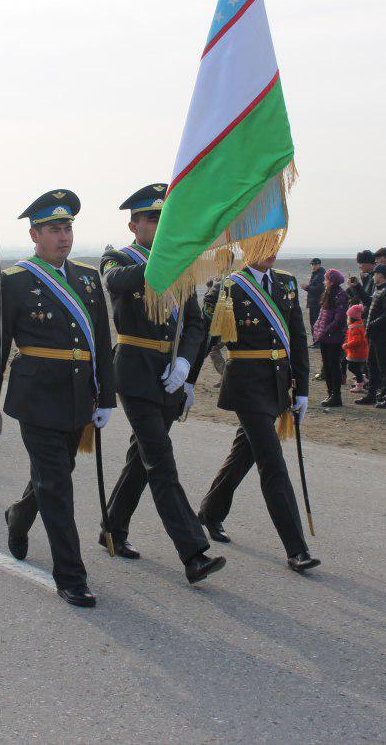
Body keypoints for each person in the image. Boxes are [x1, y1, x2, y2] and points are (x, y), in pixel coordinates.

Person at [0, 190, 115, 607]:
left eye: (68, 227)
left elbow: (102, 343)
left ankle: (18, 517)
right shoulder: (16, 281)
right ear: (35, 234)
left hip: (78, 396)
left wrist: (106, 396)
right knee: (57, 485)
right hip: (36, 396)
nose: (63, 236)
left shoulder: (88, 279)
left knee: (56, 474)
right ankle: (71, 575)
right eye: (54, 228)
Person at [95, 184, 224, 583]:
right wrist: (171, 256)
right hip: (134, 373)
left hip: (169, 375)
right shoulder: (116, 258)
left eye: (162, 217)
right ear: (133, 225)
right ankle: (194, 552)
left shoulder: (179, 265)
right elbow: (120, 282)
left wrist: (185, 365)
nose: (156, 223)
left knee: (143, 459)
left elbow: (196, 323)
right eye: (150, 218)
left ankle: (112, 529)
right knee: (161, 463)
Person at [190, 252, 319, 574]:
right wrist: (187, 383)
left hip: (276, 382)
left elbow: (298, 338)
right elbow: (204, 338)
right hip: (246, 384)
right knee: (272, 462)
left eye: (276, 242)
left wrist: (302, 388)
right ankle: (297, 548)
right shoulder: (228, 287)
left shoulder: (286, 283)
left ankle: (210, 511)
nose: (272, 250)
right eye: (265, 242)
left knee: (245, 452)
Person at [360, 264, 386, 409]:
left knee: (384, 367)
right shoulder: (380, 290)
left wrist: (372, 324)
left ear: (381, 275)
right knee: (371, 364)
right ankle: (371, 394)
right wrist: (356, 287)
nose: (373, 276)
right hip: (375, 334)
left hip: (381, 335)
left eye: (375, 274)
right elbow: (370, 302)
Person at [312, 268, 348, 407]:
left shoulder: (340, 295)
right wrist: (318, 329)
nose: (325, 281)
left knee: (334, 366)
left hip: (334, 337)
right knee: (327, 366)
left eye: (327, 279)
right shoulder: (327, 294)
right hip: (324, 336)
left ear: (332, 281)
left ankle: (336, 395)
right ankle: (330, 393)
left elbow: (339, 319)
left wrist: (326, 330)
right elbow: (322, 315)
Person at [344, 303, 368, 392]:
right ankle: (362, 378)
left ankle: (360, 383)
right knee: (355, 367)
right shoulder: (358, 325)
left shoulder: (355, 328)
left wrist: (347, 345)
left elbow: (357, 341)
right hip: (358, 352)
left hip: (357, 352)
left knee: (352, 367)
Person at [304, 257, 325, 332]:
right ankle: (315, 341)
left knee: (316, 323)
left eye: (315, 264)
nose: (313, 266)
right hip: (313, 302)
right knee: (313, 322)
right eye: (312, 264)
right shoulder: (315, 274)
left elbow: (320, 288)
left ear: (319, 265)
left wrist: (307, 287)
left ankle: (317, 341)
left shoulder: (320, 275)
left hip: (317, 303)